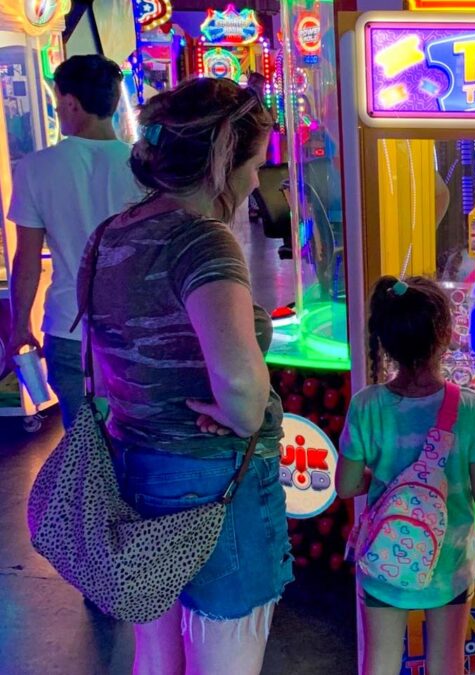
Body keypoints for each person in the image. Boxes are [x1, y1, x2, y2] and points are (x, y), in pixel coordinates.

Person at [77, 78, 290, 674]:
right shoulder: (202, 242)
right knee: (226, 655)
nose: (257, 182)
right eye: (255, 165)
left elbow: (107, 360)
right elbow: (242, 389)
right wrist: (240, 414)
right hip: (214, 481)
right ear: (222, 162)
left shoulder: (108, 235)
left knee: (156, 655)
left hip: (134, 467)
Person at [336, 276, 475, 675]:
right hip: (448, 566)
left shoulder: (366, 405)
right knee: (446, 664)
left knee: (379, 663)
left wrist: (382, 480)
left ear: (385, 339)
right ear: (445, 335)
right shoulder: (469, 407)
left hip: (384, 560)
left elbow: (345, 485)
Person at [7, 55, 143, 428]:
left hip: (69, 327)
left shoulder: (36, 168)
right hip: (137, 326)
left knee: (84, 442)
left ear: (70, 103)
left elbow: (27, 260)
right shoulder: (143, 166)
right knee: (138, 435)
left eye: (57, 101)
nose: (56, 110)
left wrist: (20, 326)